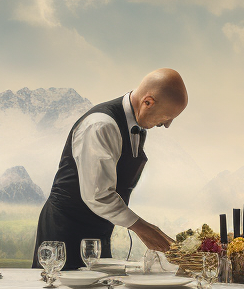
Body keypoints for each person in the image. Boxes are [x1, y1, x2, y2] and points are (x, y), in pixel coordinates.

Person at [32, 69, 185, 271]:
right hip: (64, 233)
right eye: (167, 116)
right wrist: (145, 230)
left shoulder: (137, 126)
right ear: (147, 102)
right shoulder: (101, 125)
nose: (167, 125)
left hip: (97, 233)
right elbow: (99, 195)